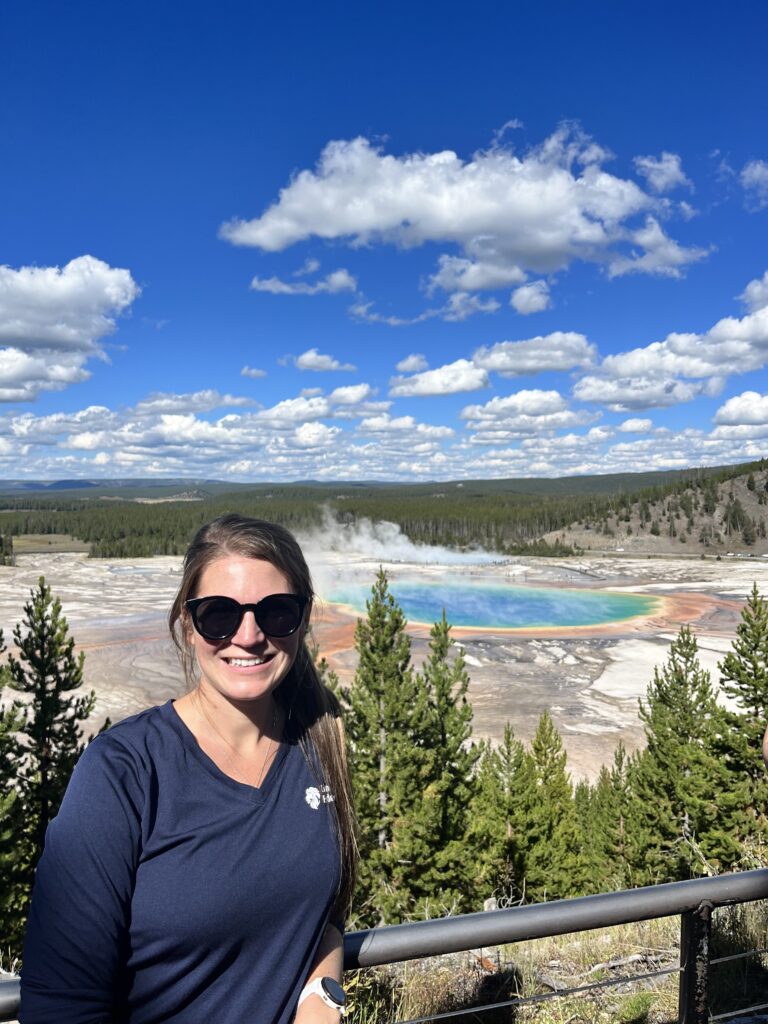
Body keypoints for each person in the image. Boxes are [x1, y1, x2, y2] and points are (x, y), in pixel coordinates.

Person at [20, 514, 357, 1024]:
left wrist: (323, 997)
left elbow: (319, 916)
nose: (248, 636)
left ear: (303, 618)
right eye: (219, 615)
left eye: (277, 612)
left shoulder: (318, 743)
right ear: (187, 621)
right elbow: (61, 1006)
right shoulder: (123, 773)